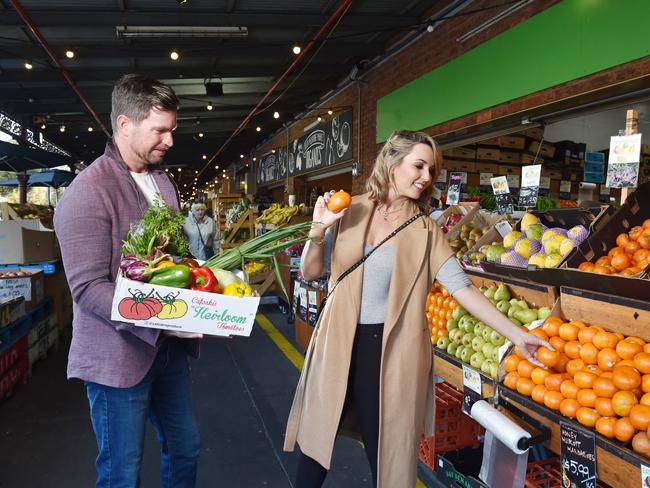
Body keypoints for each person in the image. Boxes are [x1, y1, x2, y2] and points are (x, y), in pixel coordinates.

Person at [283, 130, 551, 487]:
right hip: (335, 341)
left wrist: (517, 335)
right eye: (419, 165)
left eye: (431, 170)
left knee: (387, 454)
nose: (426, 177)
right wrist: (318, 229)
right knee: (314, 445)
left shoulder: (426, 230)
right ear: (392, 161)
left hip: (391, 352)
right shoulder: (350, 208)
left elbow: (462, 289)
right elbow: (311, 271)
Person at [54, 74, 201, 488]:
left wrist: (209, 309)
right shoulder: (87, 192)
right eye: (160, 130)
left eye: (172, 130)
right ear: (124, 125)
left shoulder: (163, 183)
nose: (169, 141)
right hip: (116, 359)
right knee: (122, 471)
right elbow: (87, 288)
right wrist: (167, 314)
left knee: (186, 447)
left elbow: (174, 262)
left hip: (167, 352)